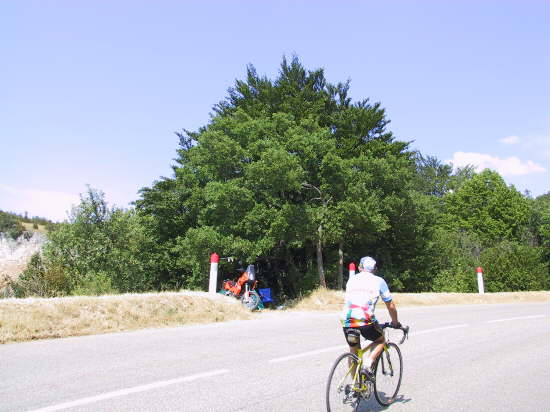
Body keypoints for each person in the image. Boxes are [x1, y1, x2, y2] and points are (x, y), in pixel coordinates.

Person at [340, 256, 400, 375]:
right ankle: (368, 363)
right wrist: (395, 321)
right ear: (375, 269)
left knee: (354, 350)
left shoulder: (351, 280)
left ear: (359, 268)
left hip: (346, 320)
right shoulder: (379, 281)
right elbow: (390, 305)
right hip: (365, 320)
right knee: (381, 340)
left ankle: (354, 387)